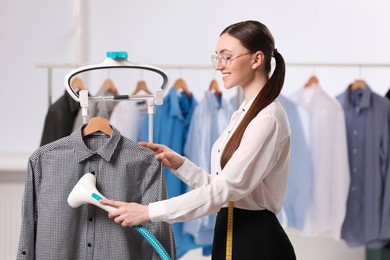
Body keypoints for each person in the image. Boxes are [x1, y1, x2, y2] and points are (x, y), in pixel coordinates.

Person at [101, 20, 296, 259]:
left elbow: (225, 190)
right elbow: (225, 188)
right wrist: (181, 165)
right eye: (217, 57)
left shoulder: (268, 119)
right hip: (231, 233)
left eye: (227, 57)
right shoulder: (244, 112)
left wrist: (149, 212)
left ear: (257, 59)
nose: (219, 66)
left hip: (256, 243)